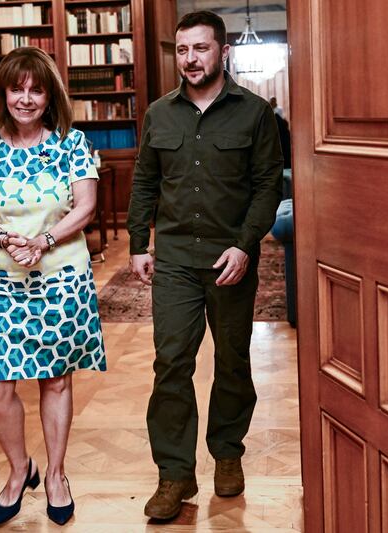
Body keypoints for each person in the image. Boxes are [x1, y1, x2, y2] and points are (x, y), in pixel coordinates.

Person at [127, 11, 283, 521]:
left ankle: (228, 452)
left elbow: (267, 187)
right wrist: (137, 242)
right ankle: (174, 474)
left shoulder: (255, 113)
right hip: (173, 258)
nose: (190, 59)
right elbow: (145, 181)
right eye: (182, 50)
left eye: (200, 48)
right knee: (171, 363)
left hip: (229, 260)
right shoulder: (159, 114)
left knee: (233, 361)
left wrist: (244, 246)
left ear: (223, 52)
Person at [0, 46, 106, 527]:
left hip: (61, 271)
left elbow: (84, 206)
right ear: (3, 92)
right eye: (16, 88)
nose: (26, 98)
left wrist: (43, 241)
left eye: (36, 89)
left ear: (49, 95)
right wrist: (5, 237)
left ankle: (57, 475)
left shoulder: (71, 142)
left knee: (55, 377)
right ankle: (20, 468)